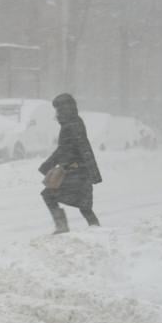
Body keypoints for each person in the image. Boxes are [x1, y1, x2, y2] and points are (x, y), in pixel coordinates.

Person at [38, 93, 102, 234]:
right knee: (84, 206)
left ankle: (62, 227)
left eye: (58, 109)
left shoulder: (72, 125)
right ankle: (96, 229)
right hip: (77, 171)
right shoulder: (72, 123)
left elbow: (81, 148)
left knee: (49, 195)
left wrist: (93, 173)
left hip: (77, 171)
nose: (56, 113)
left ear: (64, 108)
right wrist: (49, 163)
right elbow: (66, 149)